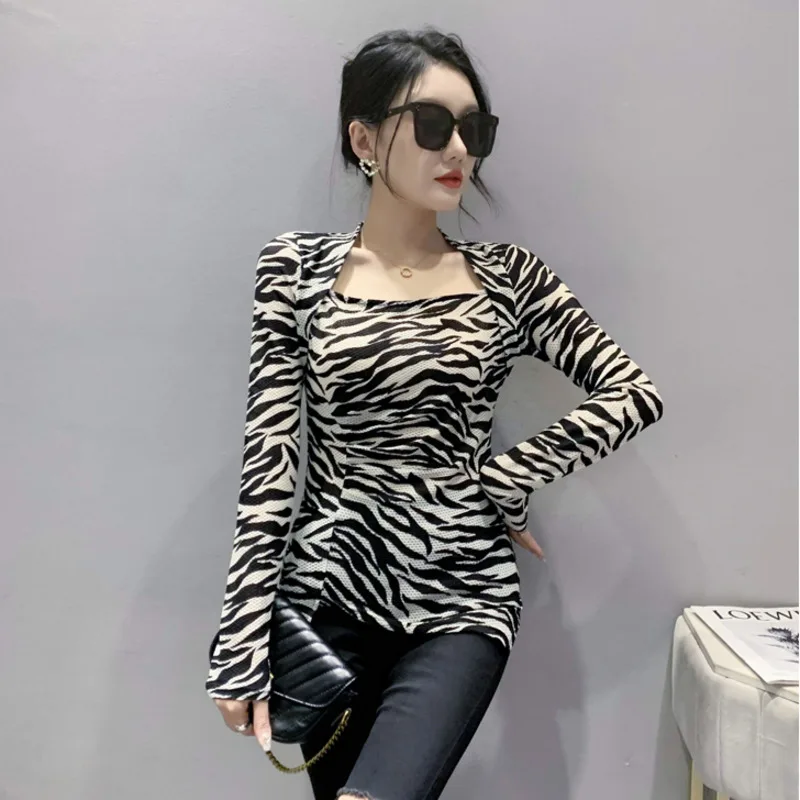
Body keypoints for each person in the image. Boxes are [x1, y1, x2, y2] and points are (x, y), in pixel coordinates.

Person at [205, 25, 665, 800]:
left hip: (462, 595)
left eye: (474, 130)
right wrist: (239, 636)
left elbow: (632, 392)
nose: (458, 149)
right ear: (364, 139)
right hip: (327, 594)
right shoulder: (294, 271)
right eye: (430, 124)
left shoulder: (510, 280)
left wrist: (509, 475)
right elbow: (270, 464)